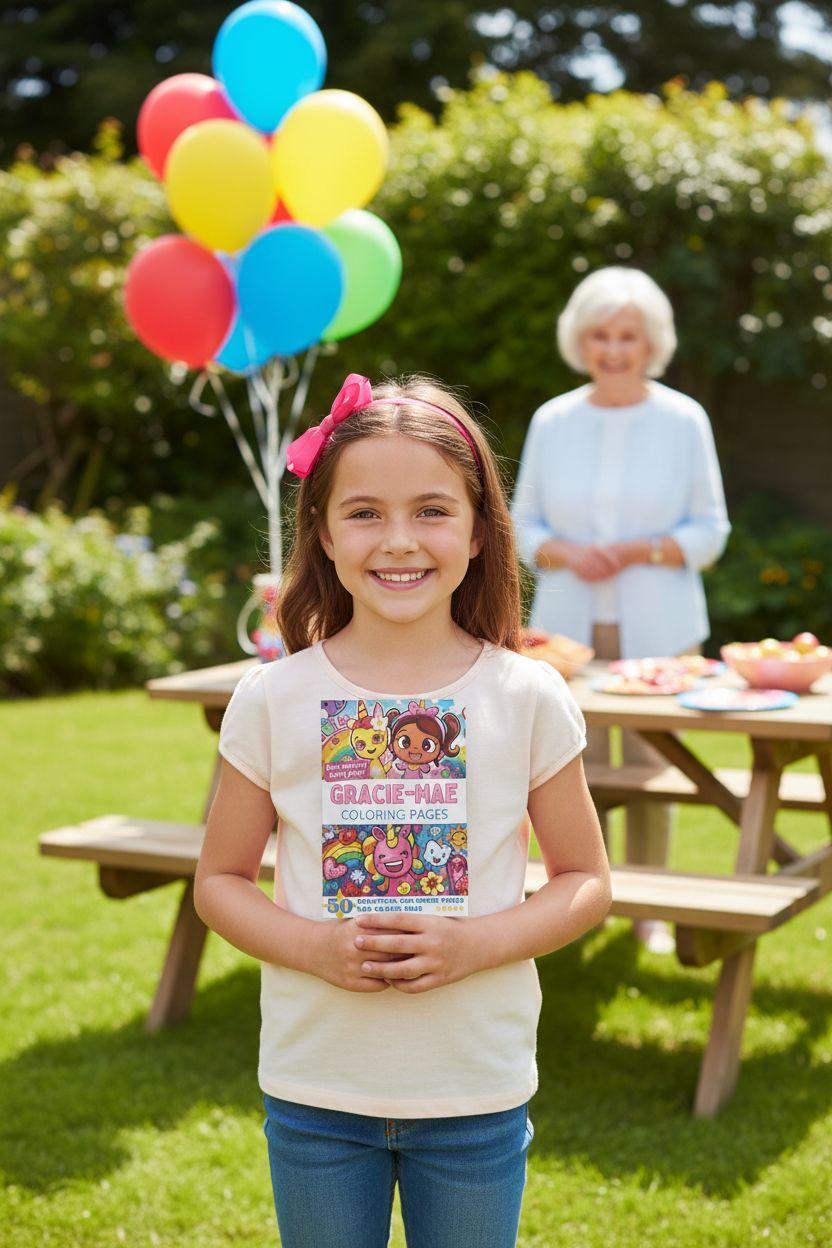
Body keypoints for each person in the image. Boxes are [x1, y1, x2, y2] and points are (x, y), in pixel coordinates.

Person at [195, 372, 611, 1248]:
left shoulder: (528, 695)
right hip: (316, 1090)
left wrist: (474, 945)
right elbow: (220, 882)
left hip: (475, 1091)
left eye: (431, 510)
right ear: (322, 531)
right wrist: (312, 947)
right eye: (364, 512)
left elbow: (585, 880)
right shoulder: (273, 698)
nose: (398, 540)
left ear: (478, 530)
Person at [511, 267, 730, 951]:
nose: (612, 349)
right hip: (566, 633)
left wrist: (643, 549)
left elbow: (711, 533)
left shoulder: (683, 419)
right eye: (600, 335)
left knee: (650, 773)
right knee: (566, 773)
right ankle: (578, 906)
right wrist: (566, 553)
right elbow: (520, 527)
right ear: (580, 340)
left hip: (661, 631)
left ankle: (647, 914)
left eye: (627, 336)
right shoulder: (553, 420)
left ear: (651, 342)